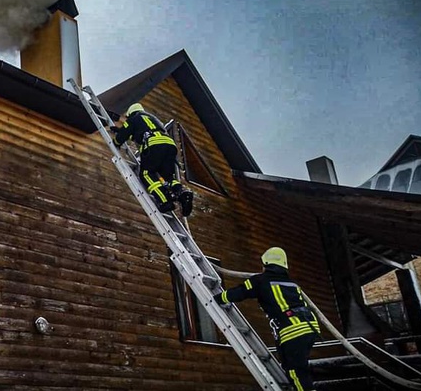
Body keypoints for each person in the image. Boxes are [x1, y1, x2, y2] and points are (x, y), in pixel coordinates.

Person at [214, 247, 320, 391]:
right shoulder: (292, 284)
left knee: (295, 370)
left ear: (265, 264)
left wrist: (218, 298)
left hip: (292, 330)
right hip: (310, 327)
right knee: (297, 366)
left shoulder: (260, 280)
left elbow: (240, 292)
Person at [109, 103, 193, 216]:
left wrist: (116, 142)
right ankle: (182, 193)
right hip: (169, 145)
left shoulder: (134, 118)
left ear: (130, 113)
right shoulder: (152, 118)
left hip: (154, 145)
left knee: (146, 174)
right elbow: (138, 134)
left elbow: (124, 135)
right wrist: (120, 130)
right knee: (168, 177)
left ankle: (164, 201)